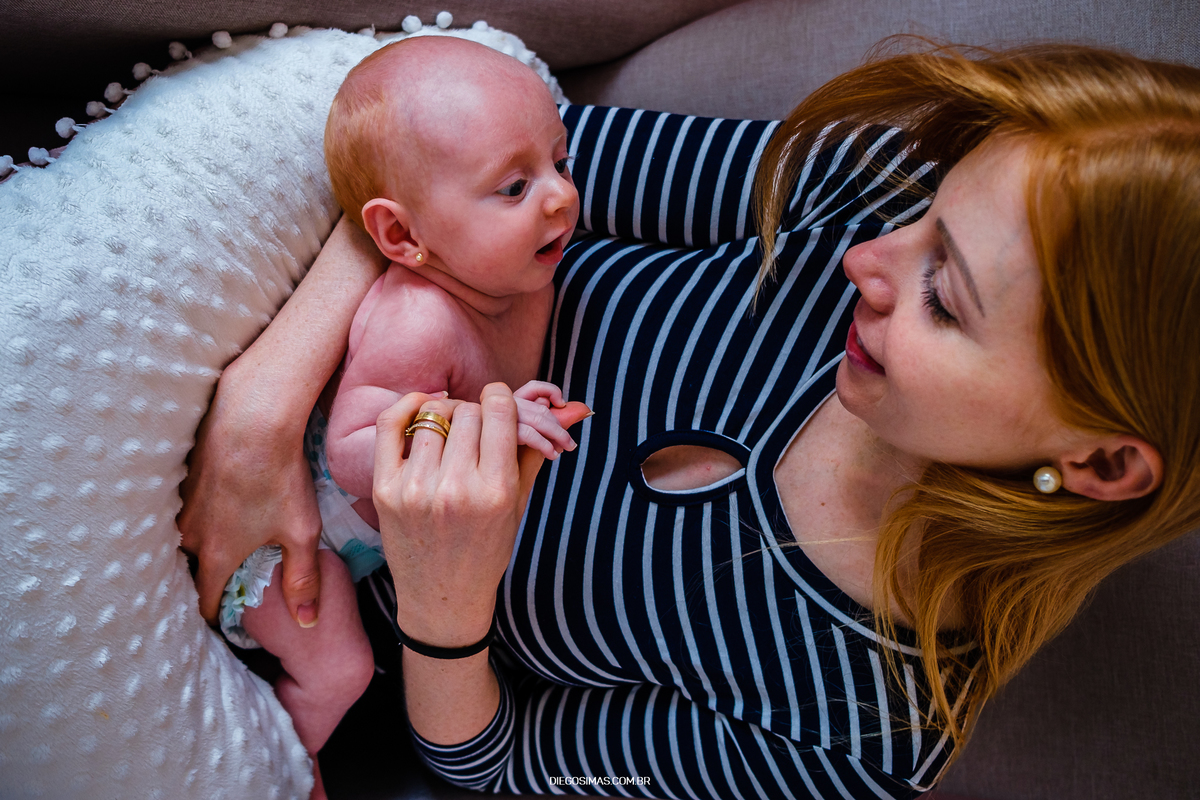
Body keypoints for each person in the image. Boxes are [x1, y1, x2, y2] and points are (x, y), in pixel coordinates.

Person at [180, 43, 1200, 798]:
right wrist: (262, 406)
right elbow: (462, 166)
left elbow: (490, 762)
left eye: (946, 297)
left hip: (317, 621)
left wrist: (448, 612)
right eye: (925, 222)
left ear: (1103, 461)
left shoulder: (852, 737)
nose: (868, 260)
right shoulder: (867, 194)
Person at [210, 36, 587, 799]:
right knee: (343, 670)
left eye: (562, 162)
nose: (560, 197)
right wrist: (488, 424)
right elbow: (354, 451)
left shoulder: (510, 277)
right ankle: (283, 759)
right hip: (284, 556)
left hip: (357, 561)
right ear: (403, 237)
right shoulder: (418, 318)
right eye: (515, 188)